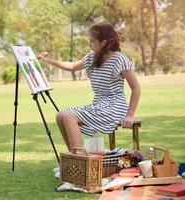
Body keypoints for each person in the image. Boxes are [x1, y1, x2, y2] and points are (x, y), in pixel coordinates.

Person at [38, 22, 141, 152]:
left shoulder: (119, 59)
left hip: (115, 107)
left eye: (92, 41)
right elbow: (72, 66)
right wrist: (49, 60)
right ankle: (76, 158)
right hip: (98, 104)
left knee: (69, 116)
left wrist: (130, 115)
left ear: (103, 42)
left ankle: (80, 162)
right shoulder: (92, 57)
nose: (90, 44)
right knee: (60, 115)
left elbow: (136, 88)